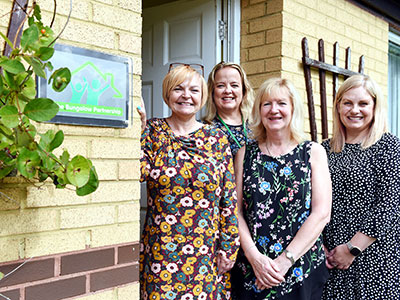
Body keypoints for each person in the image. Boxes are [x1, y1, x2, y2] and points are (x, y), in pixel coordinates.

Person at [138, 63, 240, 300]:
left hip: (206, 251)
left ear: (203, 96)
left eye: (194, 90)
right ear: (167, 94)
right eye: (178, 89)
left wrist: (229, 246)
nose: (186, 95)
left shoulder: (216, 137)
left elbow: (228, 198)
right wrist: (139, 134)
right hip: (162, 249)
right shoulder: (154, 131)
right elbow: (139, 173)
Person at [231, 77, 332, 300]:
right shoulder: (245, 154)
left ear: (293, 108)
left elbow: (322, 213)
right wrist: (255, 258)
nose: (273, 110)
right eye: (266, 104)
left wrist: (285, 261)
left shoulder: (313, 152)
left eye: (281, 103)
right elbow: (235, 210)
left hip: (300, 270)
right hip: (253, 270)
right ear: (258, 110)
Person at [321, 74, 400, 299]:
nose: (354, 110)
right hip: (332, 261)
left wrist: (352, 249)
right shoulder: (324, 149)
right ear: (338, 107)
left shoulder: (389, 146)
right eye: (348, 103)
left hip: (375, 259)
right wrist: (323, 249)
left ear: (375, 107)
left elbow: (390, 204)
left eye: (363, 103)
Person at [203, 61, 255, 158]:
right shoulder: (203, 130)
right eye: (220, 86)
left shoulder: (258, 126)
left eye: (234, 85)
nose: (227, 91)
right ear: (212, 92)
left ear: (244, 91)